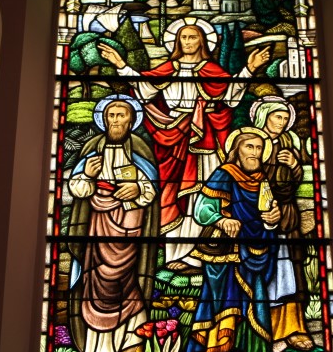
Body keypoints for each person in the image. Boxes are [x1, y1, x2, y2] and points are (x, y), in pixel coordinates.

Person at [99, 19, 270, 266]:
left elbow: (230, 99)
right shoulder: (167, 69)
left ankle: (207, 250)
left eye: (193, 37)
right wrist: (121, 65)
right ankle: (177, 254)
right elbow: (145, 90)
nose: (188, 42)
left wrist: (249, 70)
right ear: (177, 42)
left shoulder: (212, 71)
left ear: (203, 41)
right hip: (173, 138)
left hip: (206, 141)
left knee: (207, 191)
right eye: (184, 38)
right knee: (174, 192)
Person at [173, 128, 282, 352]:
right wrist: (221, 220)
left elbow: (267, 216)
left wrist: (272, 219)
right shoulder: (224, 174)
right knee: (214, 309)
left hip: (254, 254)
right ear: (237, 150)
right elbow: (201, 209)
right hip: (223, 257)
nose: (255, 153)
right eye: (249, 147)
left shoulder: (263, 181)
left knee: (256, 314)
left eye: (259, 148)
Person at [67, 96, 159, 352]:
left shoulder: (139, 149)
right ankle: (100, 349)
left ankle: (131, 340)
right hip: (99, 226)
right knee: (97, 282)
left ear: (132, 120)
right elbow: (78, 189)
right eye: (112, 115)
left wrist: (137, 190)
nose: (116, 120)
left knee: (128, 282)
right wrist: (87, 176)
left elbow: (151, 190)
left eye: (122, 115)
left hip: (131, 227)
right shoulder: (92, 149)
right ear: (104, 119)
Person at [250, 96, 313, 350]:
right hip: (257, 216)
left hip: (286, 215)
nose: (282, 122)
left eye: (286, 118)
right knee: (265, 273)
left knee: (292, 272)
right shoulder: (251, 143)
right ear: (264, 116)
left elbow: (295, 181)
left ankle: (293, 328)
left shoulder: (289, 144)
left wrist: (295, 165)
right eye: (278, 117)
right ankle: (263, 327)